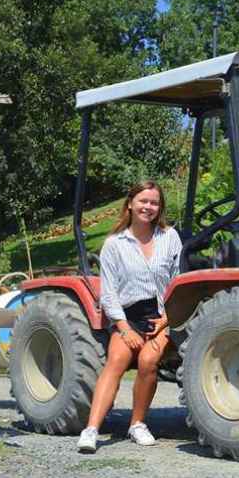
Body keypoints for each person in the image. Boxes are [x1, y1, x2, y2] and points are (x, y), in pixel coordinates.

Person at [77, 180, 182, 453]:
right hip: (128, 317)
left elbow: (177, 281)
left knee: (148, 361)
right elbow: (109, 294)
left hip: (162, 315)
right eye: (143, 201)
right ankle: (91, 430)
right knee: (116, 360)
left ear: (160, 208)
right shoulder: (114, 244)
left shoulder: (169, 237)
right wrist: (124, 328)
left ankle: (137, 424)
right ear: (130, 204)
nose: (148, 207)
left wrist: (168, 320)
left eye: (154, 203)